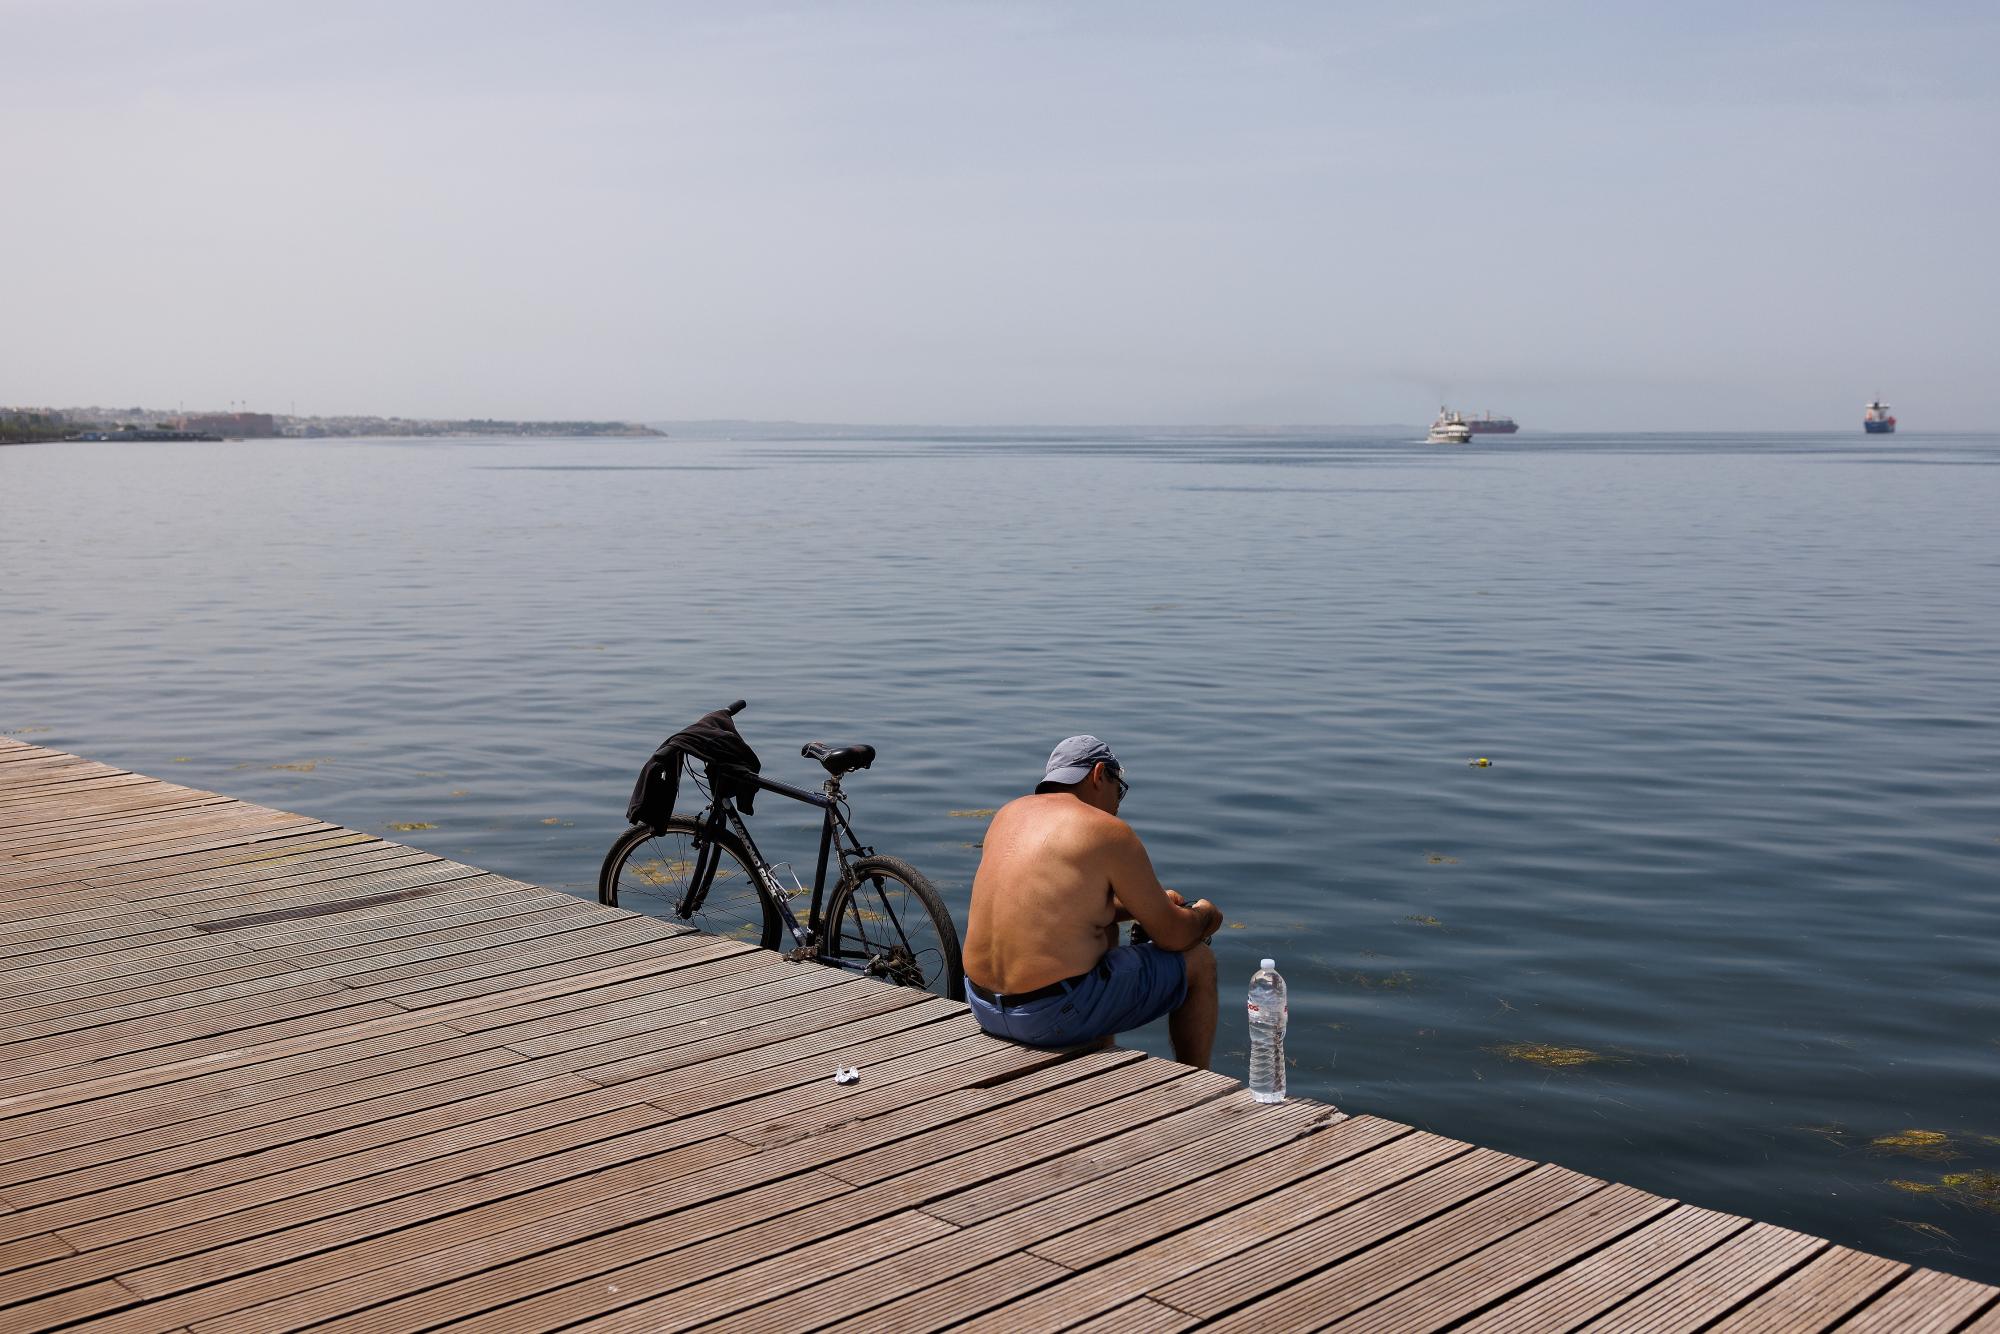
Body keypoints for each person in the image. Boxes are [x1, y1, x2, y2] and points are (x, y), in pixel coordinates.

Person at [961, 735, 1223, 1068]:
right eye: (1119, 787)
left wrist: (1137, 907)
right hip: (1051, 1017)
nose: (1117, 801)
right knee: (1199, 961)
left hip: (984, 1008)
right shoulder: (1107, 830)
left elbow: (1062, 914)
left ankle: (1097, 1052)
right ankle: (1198, 1082)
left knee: (1103, 933)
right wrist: (1205, 915)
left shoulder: (1007, 815)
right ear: (1100, 774)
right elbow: (1174, 936)